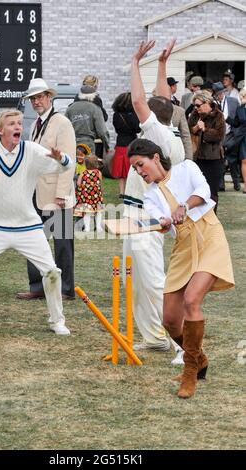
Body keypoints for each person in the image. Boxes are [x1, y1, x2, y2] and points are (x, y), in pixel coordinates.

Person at [128, 138, 235, 398]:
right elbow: (159, 218)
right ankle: (199, 359)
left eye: (141, 165)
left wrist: (184, 205)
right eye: (135, 169)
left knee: (191, 301)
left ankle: (190, 374)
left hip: (208, 235)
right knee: (171, 321)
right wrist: (164, 221)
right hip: (182, 245)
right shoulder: (149, 193)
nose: (140, 172)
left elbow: (204, 190)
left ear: (155, 157)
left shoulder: (186, 167)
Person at [0, 109, 73, 335]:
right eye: (11, 124)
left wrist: (61, 158)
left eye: (20, 123)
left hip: (27, 226)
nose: (18, 127)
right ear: (0, 130)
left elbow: (65, 166)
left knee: (51, 271)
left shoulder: (31, 149)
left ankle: (57, 321)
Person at [125, 38, 186, 363]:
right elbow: (162, 99)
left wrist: (135, 62)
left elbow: (139, 101)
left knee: (156, 282)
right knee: (137, 282)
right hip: (140, 214)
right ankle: (155, 338)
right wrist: (162, 64)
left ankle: (182, 344)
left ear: (154, 118)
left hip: (148, 218)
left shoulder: (158, 136)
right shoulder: (167, 130)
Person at [16, 78, 76, 302]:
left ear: (50, 97)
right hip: (35, 192)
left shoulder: (62, 122)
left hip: (56, 194)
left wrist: (62, 193)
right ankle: (37, 287)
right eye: (33, 98)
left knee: (62, 243)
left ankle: (66, 289)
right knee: (32, 239)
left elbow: (68, 160)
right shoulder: (34, 125)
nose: (36, 101)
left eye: (40, 97)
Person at [188, 90, 225, 212]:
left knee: (212, 191)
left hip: (214, 159)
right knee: (196, 190)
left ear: (207, 103)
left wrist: (205, 130)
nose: (196, 108)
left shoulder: (218, 115)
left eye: (198, 105)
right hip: (197, 158)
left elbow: (219, 135)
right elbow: (188, 131)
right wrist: (196, 128)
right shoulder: (194, 114)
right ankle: (199, 217)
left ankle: (212, 219)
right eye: (194, 105)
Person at [111, 92, 140, 198]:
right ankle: (130, 191)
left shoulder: (116, 115)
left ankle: (121, 192)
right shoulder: (133, 115)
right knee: (131, 169)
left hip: (120, 143)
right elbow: (137, 129)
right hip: (131, 143)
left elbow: (116, 128)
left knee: (121, 171)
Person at [212, 81, 240, 192]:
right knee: (220, 161)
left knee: (232, 160)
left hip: (232, 135)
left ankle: (236, 183)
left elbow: (238, 119)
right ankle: (221, 185)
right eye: (218, 94)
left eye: (221, 93)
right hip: (219, 136)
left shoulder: (233, 101)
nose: (220, 95)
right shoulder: (212, 104)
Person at [65, 84, 109, 154]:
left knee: (74, 164)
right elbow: (102, 131)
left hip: (72, 143)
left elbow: (64, 128)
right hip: (88, 144)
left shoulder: (70, 108)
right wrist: (107, 146)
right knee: (88, 164)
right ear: (93, 95)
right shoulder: (95, 108)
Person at [75, 154, 103, 232]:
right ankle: (98, 227)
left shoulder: (83, 173)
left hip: (86, 196)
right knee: (98, 212)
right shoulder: (98, 173)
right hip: (97, 196)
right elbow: (100, 183)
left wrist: (84, 185)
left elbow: (78, 183)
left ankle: (87, 228)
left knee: (87, 212)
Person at [227, 87, 246, 194]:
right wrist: (227, 118)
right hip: (243, 138)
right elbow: (237, 123)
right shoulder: (240, 108)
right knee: (244, 161)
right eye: (242, 96)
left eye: (244, 96)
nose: (243, 98)